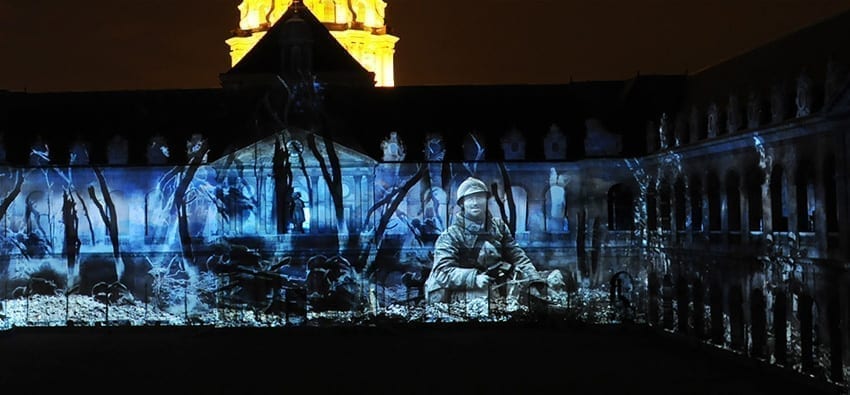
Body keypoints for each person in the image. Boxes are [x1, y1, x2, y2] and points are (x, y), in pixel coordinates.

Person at [423, 176, 551, 308]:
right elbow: (442, 272)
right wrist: (474, 278)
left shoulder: (498, 227)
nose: (475, 203)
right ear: (462, 204)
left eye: (479, 197)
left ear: (486, 200)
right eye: (470, 199)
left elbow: (517, 256)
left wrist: (533, 280)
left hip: (496, 287)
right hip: (462, 294)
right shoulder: (451, 236)